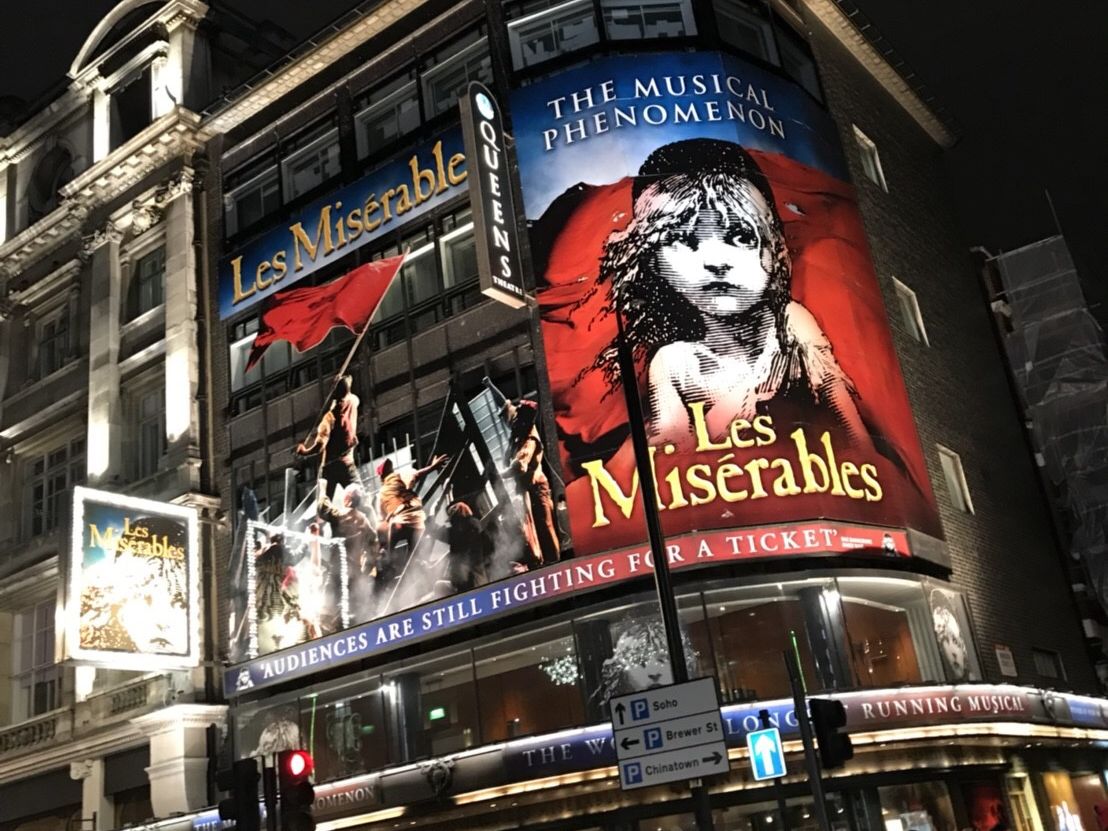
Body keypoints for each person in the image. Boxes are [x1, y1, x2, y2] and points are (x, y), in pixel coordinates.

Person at [591, 138, 871, 449]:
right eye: (684, 239)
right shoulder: (673, 364)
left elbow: (853, 432)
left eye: (741, 236)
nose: (716, 261)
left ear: (775, 247)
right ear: (653, 260)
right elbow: (672, 451)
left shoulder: (790, 324)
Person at [501, 398, 560, 570]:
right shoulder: (518, 430)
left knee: (545, 525)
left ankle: (554, 563)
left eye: (519, 416)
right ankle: (540, 560)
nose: (515, 419)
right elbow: (507, 409)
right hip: (525, 488)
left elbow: (520, 466)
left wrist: (501, 475)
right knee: (530, 525)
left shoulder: (529, 439)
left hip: (537, 488)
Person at [375, 454, 449, 578]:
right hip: (418, 522)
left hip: (398, 523)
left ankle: (388, 566)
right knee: (413, 553)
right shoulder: (400, 476)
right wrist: (433, 467)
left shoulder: (381, 493)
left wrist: (382, 544)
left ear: (381, 477)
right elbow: (418, 474)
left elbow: (381, 521)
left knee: (389, 546)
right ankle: (412, 568)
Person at [297, 375, 362, 492]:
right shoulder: (353, 402)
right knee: (360, 496)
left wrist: (304, 452)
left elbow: (319, 447)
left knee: (324, 500)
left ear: (334, 394)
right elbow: (348, 393)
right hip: (347, 463)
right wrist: (342, 382)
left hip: (329, 467)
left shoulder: (329, 418)